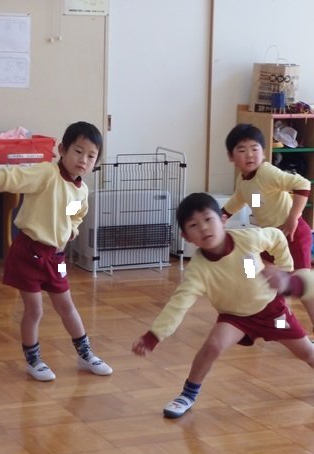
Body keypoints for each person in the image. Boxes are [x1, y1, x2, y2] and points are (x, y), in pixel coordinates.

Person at [0, 121, 112, 382]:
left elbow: (75, 216)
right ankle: (33, 360)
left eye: (91, 156)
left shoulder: (81, 191)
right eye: (78, 151)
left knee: (67, 306)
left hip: (56, 258)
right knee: (34, 311)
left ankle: (85, 353)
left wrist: (71, 230)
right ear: (62, 150)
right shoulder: (46, 174)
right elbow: (11, 177)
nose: (83, 160)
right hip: (29, 253)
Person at [132, 193, 314, 418]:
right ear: (186, 237)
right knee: (212, 346)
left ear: (223, 220)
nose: (204, 228)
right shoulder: (198, 270)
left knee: (307, 352)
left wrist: (284, 270)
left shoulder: (248, 239)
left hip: (273, 312)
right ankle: (187, 394)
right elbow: (178, 304)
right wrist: (154, 335)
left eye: (209, 219)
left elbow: (277, 236)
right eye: (194, 225)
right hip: (235, 318)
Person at [222, 123, 314, 330]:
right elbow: (243, 197)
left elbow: (303, 185)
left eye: (255, 149)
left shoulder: (267, 173)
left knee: (303, 281)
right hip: (271, 238)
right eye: (242, 150)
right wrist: (223, 215)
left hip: (293, 233)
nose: (250, 155)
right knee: (258, 271)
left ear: (263, 152)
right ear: (231, 157)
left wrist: (293, 218)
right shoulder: (244, 180)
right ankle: (280, 322)